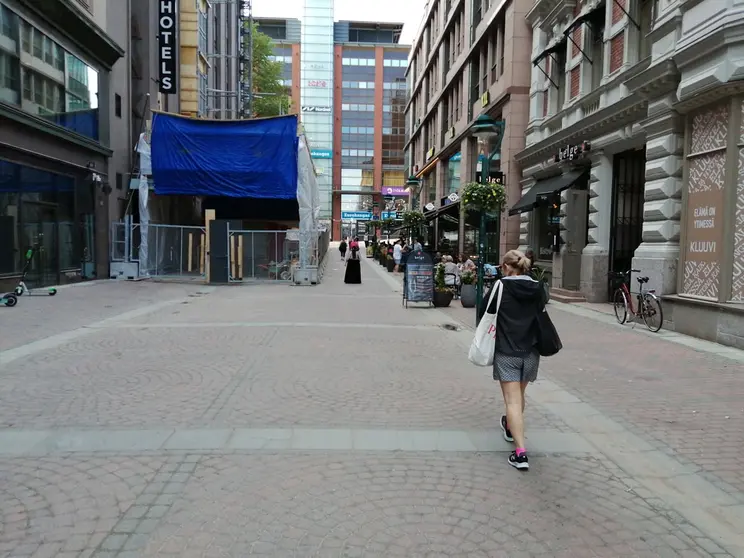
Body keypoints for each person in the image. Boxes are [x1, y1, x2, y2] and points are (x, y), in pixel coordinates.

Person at [485, 249, 546, 471]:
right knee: (519, 395)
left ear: (507, 267)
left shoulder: (501, 286)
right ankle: (511, 426)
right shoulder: (538, 286)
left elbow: (485, 310)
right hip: (531, 351)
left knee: (512, 401)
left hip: (507, 350)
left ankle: (520, 453)